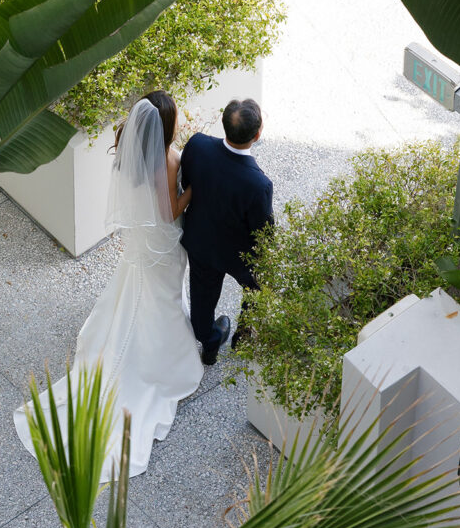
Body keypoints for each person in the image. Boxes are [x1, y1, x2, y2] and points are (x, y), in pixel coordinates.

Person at [14, 92, 203, 480]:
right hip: (161, 245)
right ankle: (158, 363)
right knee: (161, 299)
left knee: (137, 292)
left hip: (139, 242)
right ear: (166, 126)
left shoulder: (126, 146)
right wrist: (193, 191)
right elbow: (171, 210)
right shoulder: (168, 160)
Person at [181, 98, 274, 366]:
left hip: (203, 242)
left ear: (224, 125)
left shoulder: (197, 145)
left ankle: (209, 343)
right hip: (239, 254)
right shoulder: (259, 184)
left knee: (202, 297)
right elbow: (263, 234)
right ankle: (243, 337)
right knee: (257, 286)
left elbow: (187, 183)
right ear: (257, 135)